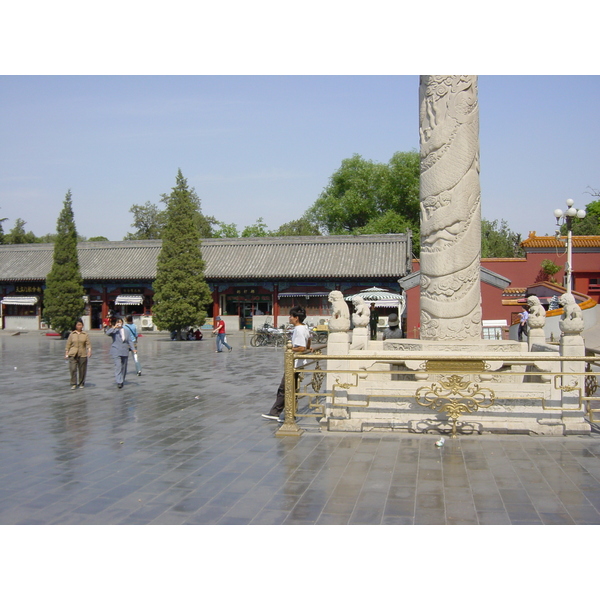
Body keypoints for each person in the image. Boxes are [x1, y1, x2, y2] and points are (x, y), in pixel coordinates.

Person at [262, 305, 311, 421]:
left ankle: (276, 413)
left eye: (291, 316)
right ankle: (287, 414)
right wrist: (310, 348)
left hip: (294, 364)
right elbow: (309, 340)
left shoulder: (299, 329)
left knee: (284, 389)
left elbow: (302, 347)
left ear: (296, 318)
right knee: (290, 389)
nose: (289, 318)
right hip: (299, 364)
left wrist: (289, 349)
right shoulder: (305, 327)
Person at [105, 316, 137, 388]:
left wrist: (133, 349)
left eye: (120, 322)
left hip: (125, 350)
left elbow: (129, 341)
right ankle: (119, 381)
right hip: (116, 350)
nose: (119, 323)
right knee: (118, 366)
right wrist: (114, 327)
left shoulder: (126, 331)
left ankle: (122, 379)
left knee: (124, 366)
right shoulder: (114, 330)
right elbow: (107, 333)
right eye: (118, 322)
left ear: (122, 322)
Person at [65, 318, 92, 389]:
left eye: (81, 325)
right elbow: (68, 344)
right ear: (75, 326)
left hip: (82, 354)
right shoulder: (72, 334)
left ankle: (81, 383)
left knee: (82, 369)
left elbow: (88, 343)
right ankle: (73, 383)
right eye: (78, 325)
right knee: (73, 369)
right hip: (73, 354)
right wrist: (66, 352)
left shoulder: (85, 334)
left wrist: (89, 351)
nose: (79, 326)